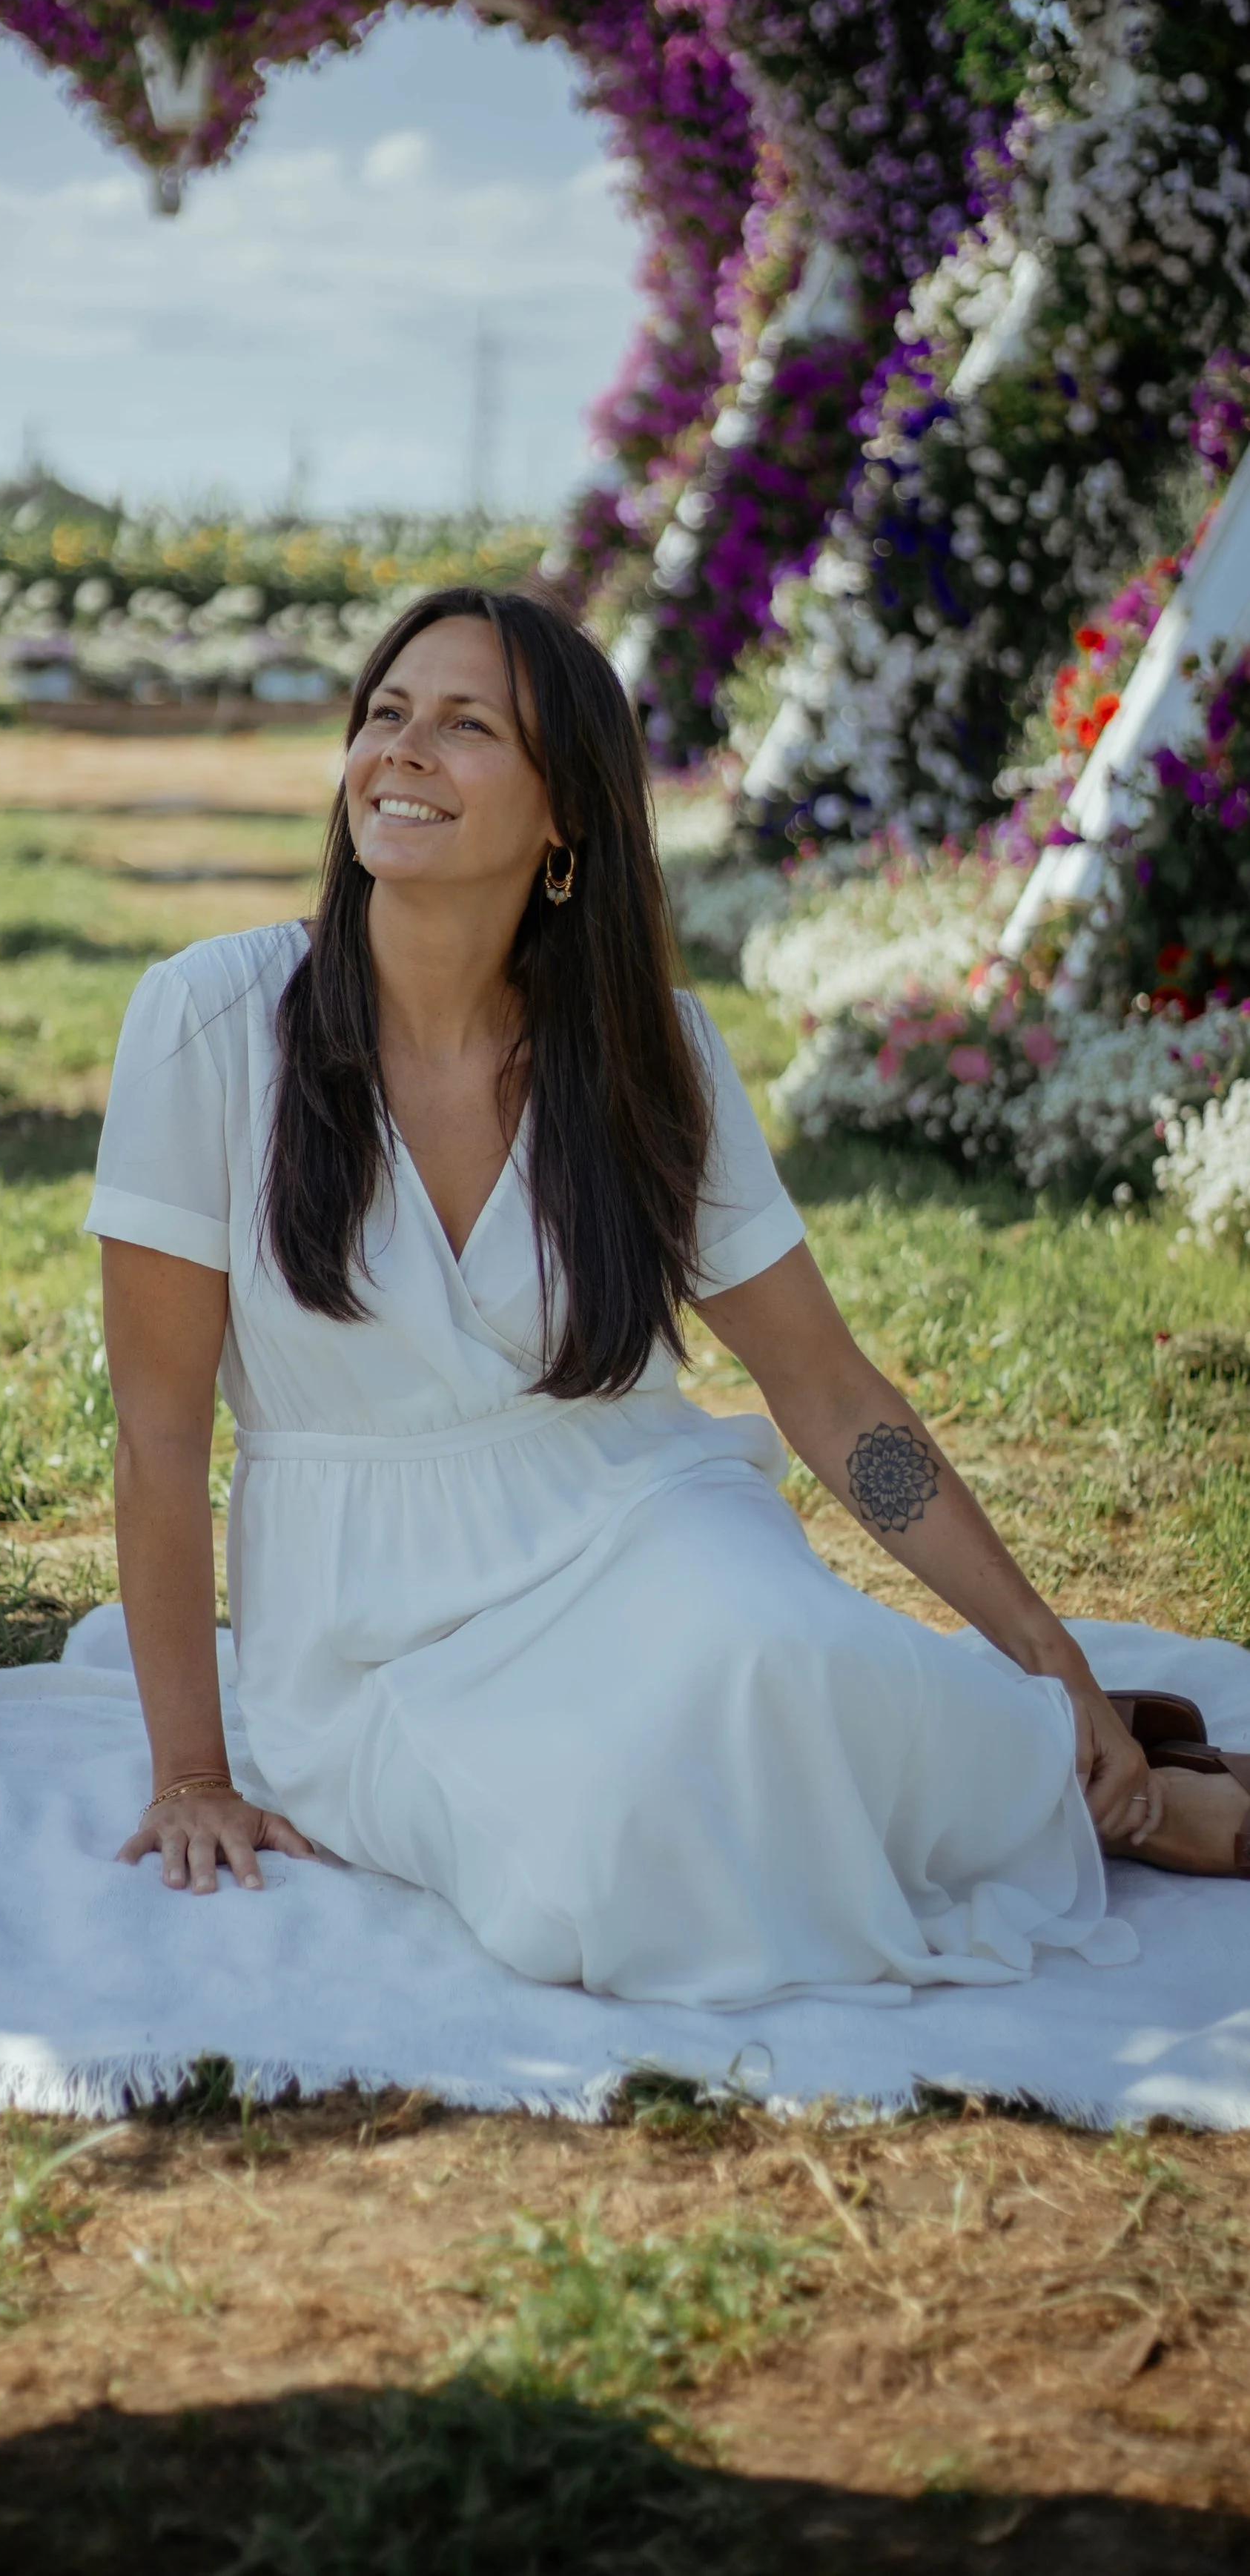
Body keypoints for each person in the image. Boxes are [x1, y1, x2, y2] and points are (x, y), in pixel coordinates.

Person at [92, 585, 1249, 2007]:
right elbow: (157, 1435)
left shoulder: (653, 1055)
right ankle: (1015, 1768)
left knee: (780, 1654)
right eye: (385, 716)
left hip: (628, 1511)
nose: (403, 753)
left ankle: (1075, 1774)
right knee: (601, 1863)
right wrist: (195, 1770)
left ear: (565, 814)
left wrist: (1051, 1648)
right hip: (365, 1617)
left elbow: (825, 1389)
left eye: (465, 728)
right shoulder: (210, 1021)